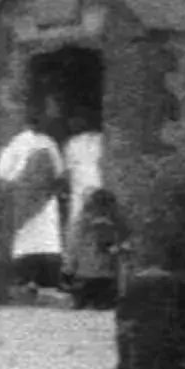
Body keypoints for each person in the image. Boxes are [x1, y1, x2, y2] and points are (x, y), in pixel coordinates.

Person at [0, 109, 66, 304]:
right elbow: (59, 171)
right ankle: (47, 283)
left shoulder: (14, 144)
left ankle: (25, 282)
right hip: (45, 198)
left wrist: (17, 183)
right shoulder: (48, 143)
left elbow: (2, 173)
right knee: (47, 240)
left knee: (25, 238)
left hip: (24, 198)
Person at [59, 114, 107, 308]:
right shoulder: (77, 143)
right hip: (86, 189)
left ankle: (80, 275)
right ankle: (73, 273)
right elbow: (69, 171)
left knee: (86, 230)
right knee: (80, 230)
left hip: (92, 189)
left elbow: (68, 171)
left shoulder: (96, 141)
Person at [66, 187, 127, 311]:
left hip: (81, 277)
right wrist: (123, 248)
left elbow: (73, 248)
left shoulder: (80, 222)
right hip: (103, 278)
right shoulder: (104, 224)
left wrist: (69, 270)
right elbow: (107, 248)